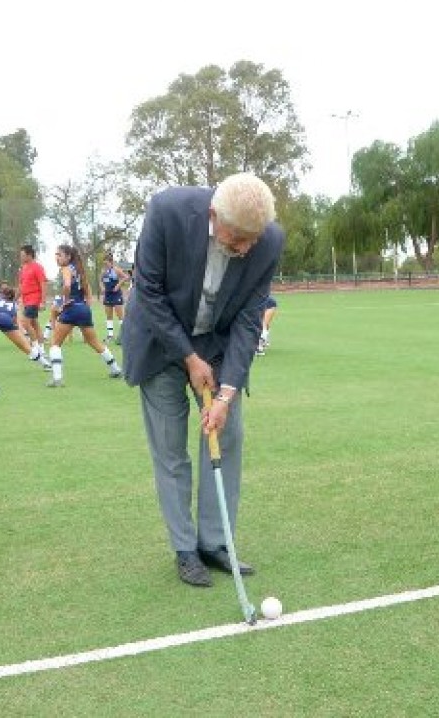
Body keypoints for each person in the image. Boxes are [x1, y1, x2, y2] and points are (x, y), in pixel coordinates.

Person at [121, 172, 284, 587]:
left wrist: (225, 394)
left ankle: (215, 542)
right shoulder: (167, 211)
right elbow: (149, 292)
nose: (246, 248)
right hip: (159, 342)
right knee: (170, 447)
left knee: (227, 436)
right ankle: (185, 549)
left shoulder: (267, 241)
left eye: (253, 238)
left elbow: (250, 319)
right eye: (238, 238)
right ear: (214, 216)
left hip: (217, 343)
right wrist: (189, 357)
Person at [46, 244, 123, 387]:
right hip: (83, 309)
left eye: (59, 255)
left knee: (55, 343)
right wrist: (86, 304)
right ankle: (116, 369)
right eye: (56, 254)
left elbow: (67, 285)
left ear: (68, 257)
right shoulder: (79, 269)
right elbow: (87, 288)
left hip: (71, 309)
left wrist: (66, 300)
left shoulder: (66, 268)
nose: (57, 257)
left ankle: (57, 378)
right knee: (94, 342)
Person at [0, 284, 53, 372]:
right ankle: (46, 364)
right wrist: (24, 336)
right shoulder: (15, 305)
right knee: (26, 347)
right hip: (6, 320)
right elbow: (16, 322)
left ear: (3, 294)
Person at [16, 244, 47, 352]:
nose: (21, 257)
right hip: (26, 300)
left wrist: (43, 301)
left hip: (34, 299)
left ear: (29, 255)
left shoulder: (37, 267)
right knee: (34, 324)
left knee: (25, 323)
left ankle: (35, 348)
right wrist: (14, 298)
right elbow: (21, 285)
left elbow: (43, 284)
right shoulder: (23, 268)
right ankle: (41, 349)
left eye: (23, 255)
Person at [100, 252, 129, 344]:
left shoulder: (116, 270)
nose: (105, 265)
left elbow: (125, 277)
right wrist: (102, 288)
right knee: (109, 317)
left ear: (111, 262)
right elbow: (100, 281)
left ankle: (125, 335)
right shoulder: (103, 271)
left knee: (120, 316)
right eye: (104, 263)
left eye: (106, 263)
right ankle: (110, 335)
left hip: (116, 295)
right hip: (108, 295)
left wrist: (118, 285)